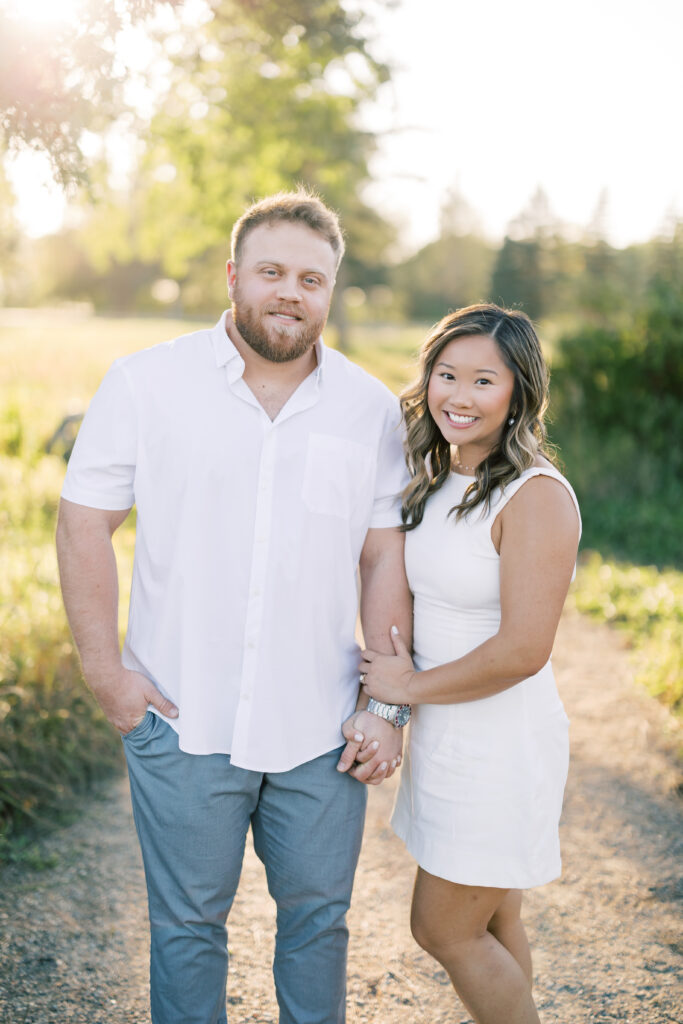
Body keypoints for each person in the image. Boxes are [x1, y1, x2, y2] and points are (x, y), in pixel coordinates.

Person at [56, 189, 412, 1024]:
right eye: (273, 272)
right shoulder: (146, 383)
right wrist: (106, 673)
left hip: (320, 730)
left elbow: (382, 555)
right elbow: (82, 525)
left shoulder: (369, 410)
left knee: (319, 927)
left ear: (331, 292)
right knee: (185, 928)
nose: (291, 293)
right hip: (182, 719)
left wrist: (386, 703)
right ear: (233, 276)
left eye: (312, 279)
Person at [359, 303, 581, 1024]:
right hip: (452, 737)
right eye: (446, 374)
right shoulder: (442, 474)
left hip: (500, 742)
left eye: (483, 380)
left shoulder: (535, 496)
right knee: (491, 922)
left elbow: (523, 648)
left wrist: (405, 688)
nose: (458, 395)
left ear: (519, 391)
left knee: (443, 928)